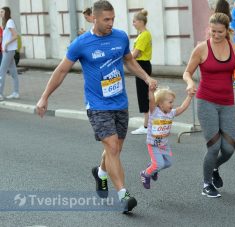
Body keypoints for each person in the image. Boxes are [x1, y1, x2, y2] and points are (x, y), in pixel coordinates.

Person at [36, 0, 157, 213]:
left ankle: (101, 173)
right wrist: (44, 97)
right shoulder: (81, 44)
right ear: (94, 18)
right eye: (106, 19)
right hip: (97, 104)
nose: (111, 23)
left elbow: (129, 61)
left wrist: (146, 77)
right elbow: (61, 71)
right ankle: (123, 195)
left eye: (113, 19)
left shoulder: (120, 37)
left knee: (115, 149)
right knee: (111, 146)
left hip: (120, 101)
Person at [183, 13, 235, 198]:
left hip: (227, 102)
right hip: (206, 101)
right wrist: (190, 83)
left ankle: (215, 167)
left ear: (227, 31)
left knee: (229, 148)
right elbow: (187, 72)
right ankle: (206, 184)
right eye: (213, 31)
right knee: (214, 147)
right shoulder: (201, 49)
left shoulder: (234, 48)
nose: (216, 35)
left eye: (220, 32)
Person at [139, 86, 194, 189]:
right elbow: (151, 100)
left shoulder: (171, 113)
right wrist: (151, 90)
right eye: (170, 102)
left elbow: (182, 107)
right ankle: (145, 174)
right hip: (153, 144)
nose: (172, 105)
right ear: (160, 104)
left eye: (172, 102)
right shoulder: (154, 111)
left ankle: (153, 167)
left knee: (168, 163)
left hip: (164, 144)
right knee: (158, 164)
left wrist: (189, 96)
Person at [130, 9, 153, 135]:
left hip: (142, 65)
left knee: (144, 96)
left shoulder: (144, 35)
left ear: (140, 21)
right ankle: (147, 124)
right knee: (144, 95)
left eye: (134, 21)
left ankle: (146, 126)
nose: (133, 24)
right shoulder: (142, 34)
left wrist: (124, 58)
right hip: (142, 65)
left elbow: (135, 53)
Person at [0, 7, 19, 101]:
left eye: (2, 12)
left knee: (1, 71)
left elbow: (16, 35)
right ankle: (16, 93)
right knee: (14, 73)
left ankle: (0, 94)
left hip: (9, 51)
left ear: (6, 12)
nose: (0, 13)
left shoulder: (9, 22)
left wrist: (6, 44)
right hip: (8, 51)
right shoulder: (6, 23)